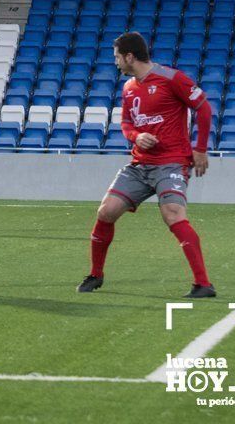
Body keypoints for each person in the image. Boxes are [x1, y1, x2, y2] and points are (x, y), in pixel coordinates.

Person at [77, 32, 215, 299]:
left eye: (117, 56)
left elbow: (204, 108)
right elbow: (127, 123)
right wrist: (136, 136)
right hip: (140, 164)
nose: (115, 61)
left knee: (173, 213)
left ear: (129, 56)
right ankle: (96, 274)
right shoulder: (129, 88)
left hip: (172, 163)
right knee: (106, 212)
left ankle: (203, 284)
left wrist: (200, 149)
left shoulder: (172, 78)